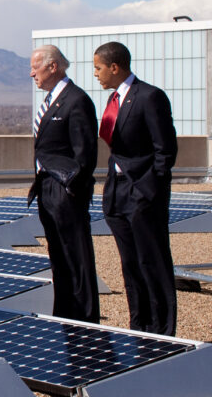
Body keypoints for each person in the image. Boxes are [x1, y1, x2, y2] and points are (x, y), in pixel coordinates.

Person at [93, 41, 178, 336]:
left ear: (114, 67)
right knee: (130, 264)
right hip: (118, 195)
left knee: (151, 261)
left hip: (143, 196)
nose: (96, 74)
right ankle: (139, 326)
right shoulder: (114, 99)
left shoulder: (149, 97)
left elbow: (164, 151)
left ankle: (162, 331)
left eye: (99, 68)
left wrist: (149, 191)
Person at [27, 45, 100, 323]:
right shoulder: (52, 101)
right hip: (47, 191)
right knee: (59, 257)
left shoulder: (76, 100)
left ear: (53, 66)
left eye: (36, 67)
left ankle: (85, 318)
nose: (32, 73)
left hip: (65, 191)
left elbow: (85, 153)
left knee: (76, 257)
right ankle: (66, 314)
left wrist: (70, 189)